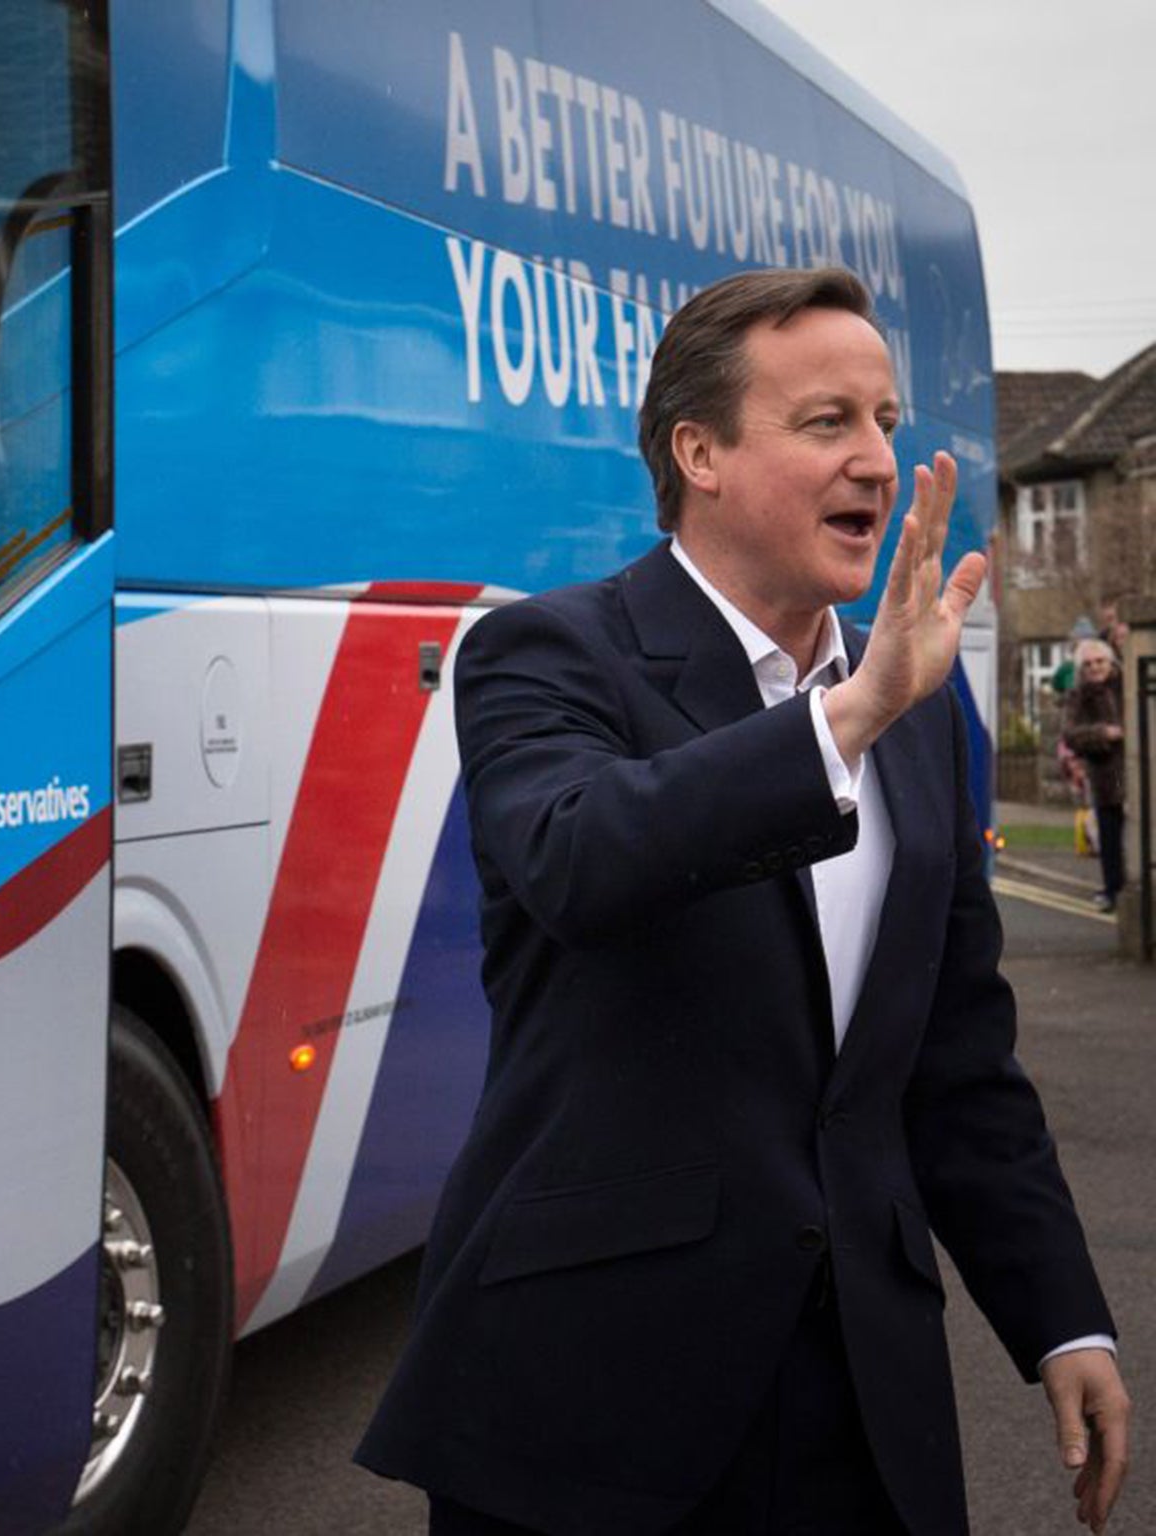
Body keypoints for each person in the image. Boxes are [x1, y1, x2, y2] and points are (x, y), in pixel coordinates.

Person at [357, 267, 1130, 1535]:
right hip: (594, 1413)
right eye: (827, 422)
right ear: (698, 452)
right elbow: (579, 855)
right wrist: (848, 715)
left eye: (885, 422)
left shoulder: (921, 717)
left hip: (863, 1413)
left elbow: (954, 1064)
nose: (876, 462)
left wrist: (1062, 1319)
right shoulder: (549, 652)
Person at [1063, 638, 1127, 913]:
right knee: (1110, 839)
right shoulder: (1079, 695)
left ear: (1110, 662)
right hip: (1106, 776)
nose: (1095, 668)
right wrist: (1103, 733)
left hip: (1137, 772)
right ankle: (1113, 890)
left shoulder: (1127, 682)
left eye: (1099, 661)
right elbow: (1071, 734)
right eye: (1088, 664)